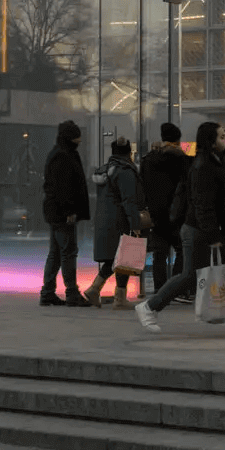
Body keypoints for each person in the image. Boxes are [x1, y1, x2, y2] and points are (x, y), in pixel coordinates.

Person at [134, 121, 225, 335]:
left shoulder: (217, 163)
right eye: (222, 137)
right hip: (202, 230)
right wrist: (212, 234)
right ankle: (149, 307)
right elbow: (203, 204)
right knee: (190, 275)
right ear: (211, 141)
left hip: (222, 230)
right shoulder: (202, 166)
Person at [80, 138, 147, 309]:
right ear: (128, 152)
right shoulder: (125, 171)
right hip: (121, 219)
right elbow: (129, 200)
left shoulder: (105, 170)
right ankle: (118, 297)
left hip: (105, 219)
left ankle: (96, 289)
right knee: (124, 257)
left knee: (115, 257)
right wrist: (135, 223)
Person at [38, 119, 91, 307]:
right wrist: (69, 210)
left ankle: (48, 292)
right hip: (62, 213)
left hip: (55, 211)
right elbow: (64, 187)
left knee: (56, 252)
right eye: (77, 137)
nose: (80, 140)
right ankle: (71, 293)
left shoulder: (60, 153)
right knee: (68, 252)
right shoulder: (64, 156)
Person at [139, 122, 191, 291]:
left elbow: (142, 187)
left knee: (159, 255)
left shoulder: (148, 161)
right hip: (176, 215)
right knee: (183, 250)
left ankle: (159, 289)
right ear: (177, 140)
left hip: (156, 215)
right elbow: (186, 188)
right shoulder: (181, 160)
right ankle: (174, 287)